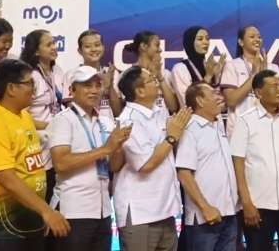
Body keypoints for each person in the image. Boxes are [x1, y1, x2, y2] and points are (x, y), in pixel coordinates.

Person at [0, 58, 69, 251]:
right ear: (11, 88)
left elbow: (49, 129)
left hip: (30, 219)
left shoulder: (24, 116)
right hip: (4, 226)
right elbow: (6, 178)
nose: (35, 89)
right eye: (30, 83)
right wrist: (47, 211)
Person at [47, 66, 131, 251]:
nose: (94, 90)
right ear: (72, 90)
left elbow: (115, 167)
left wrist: (117, 147)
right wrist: (105, 149)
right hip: (73, 211)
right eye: (87, 85)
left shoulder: (105, 122)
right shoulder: (63, 120)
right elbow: (61, 163)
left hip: (103, 211)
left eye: (97, 85)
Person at [114, 66, 191, 251]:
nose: (156, 82)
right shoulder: (129, 120)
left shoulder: (159, 112)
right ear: (139, 91)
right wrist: (171, 137)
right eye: (151, 80)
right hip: (141, 213)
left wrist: (175, 136)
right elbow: (145, 165)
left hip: (166, 210)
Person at [231, 70, 279, 251]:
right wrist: (246, 203)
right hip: (259, 205)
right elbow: (238, 164)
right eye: (274, 86)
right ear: (258, 92)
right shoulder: (245, 121)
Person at [177, 82, 238, 251]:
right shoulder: (190, 129)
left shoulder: (217, 124)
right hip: (204, 219)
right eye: (213, 94)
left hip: (228, 213)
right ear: (200, 101)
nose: (220, 97)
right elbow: (184, 173)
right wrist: (205, 208)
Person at [19, 30, 67, 202]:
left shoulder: (58, 71)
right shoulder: (29, 76)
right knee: (41, 192)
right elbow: (20, 115)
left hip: (56, 141)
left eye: (54, 43)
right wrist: (49, 127)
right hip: (36, 142)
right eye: (48, 44)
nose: (54, 47)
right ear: (36, 51)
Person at [220, 26, 279, 134]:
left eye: (259, 37)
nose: (257, 39)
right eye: (252, 37)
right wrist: (254, 75)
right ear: (241, 42)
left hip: (267, 129)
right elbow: (231, 101)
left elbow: (277, 102)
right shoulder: (232, 66)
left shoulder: (273, 68)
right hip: (239, 130)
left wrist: (265, 79)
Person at [114, 31, 178, 117]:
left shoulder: (165, 74)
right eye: (157, 45)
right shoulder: (128, 75)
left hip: (163, 124)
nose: (160, 49)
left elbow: (173, 108)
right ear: (143, 46)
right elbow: (124, 109)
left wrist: (160, 78)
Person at [170, 27, 224, 109]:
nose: (205, 42)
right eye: (200, 39)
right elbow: (187, 102)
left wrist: (216, 77)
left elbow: (220, 102)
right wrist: (208, 76)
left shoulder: (209, 66)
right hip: (194, 117)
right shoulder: (180, 69)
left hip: (215, 116)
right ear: (190, 42)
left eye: (207, 38)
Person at [75, 30, 117, 121]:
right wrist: (104, 87)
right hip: (86, 126)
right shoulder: (73, 75)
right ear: (80, 51)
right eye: (87, 46)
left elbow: (118, 112)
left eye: (97, 45)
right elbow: (75, 111)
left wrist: (110, 86)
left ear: (103, 47)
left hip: (110, 127)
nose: (93, 49)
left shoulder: (111, 73)